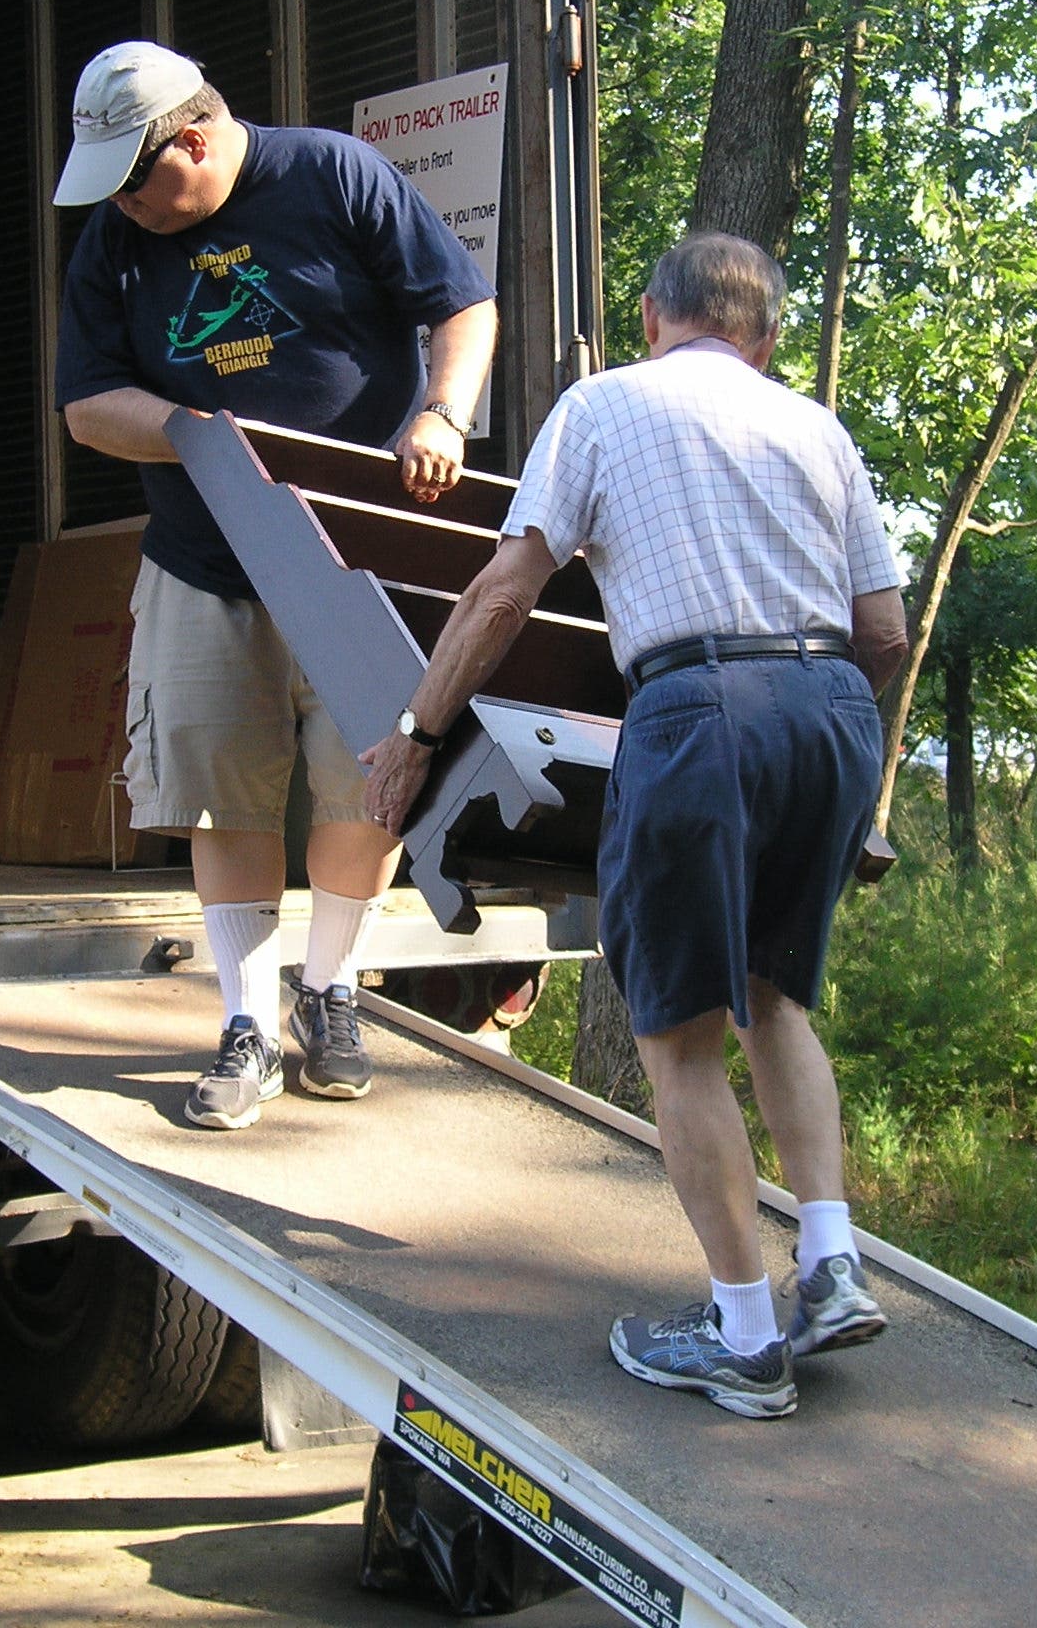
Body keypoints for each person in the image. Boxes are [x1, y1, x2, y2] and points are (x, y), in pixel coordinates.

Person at [360, 232, 908, 1419]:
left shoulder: (602, 406)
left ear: (652, 318)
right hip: (829, 710)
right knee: (775, 998)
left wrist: (414, 729)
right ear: (762, 339)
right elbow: (886, 636)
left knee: (680, 1036)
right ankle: (829, 1264)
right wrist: (855, 787)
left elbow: (509, 588)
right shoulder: (818, 429)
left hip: (699, 706)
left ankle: (747, 1340)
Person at [52, 40, 498, 1132]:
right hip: (206, 560)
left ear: (194, 142)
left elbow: (463, 305)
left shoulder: (334, 175)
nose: (123, 209)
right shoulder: (114, 238)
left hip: (360, 559)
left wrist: (442, 414)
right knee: (218, 782)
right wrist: (198, 437)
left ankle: (331, 988)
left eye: (135, 182)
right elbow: (86, 404)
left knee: (372, 778)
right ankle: (245, 1024)